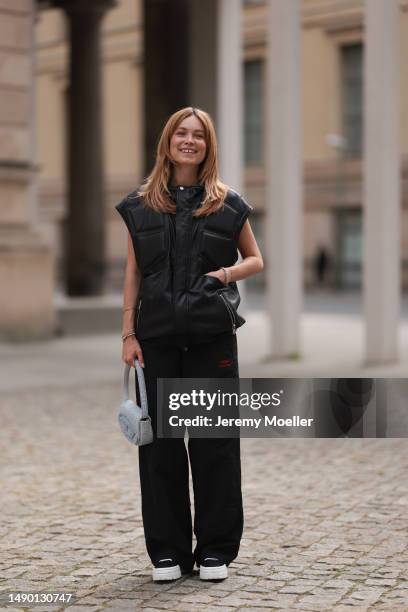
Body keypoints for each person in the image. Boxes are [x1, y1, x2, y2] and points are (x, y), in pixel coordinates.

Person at [115, 106, 263, 582]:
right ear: (168, 141)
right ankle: (168, 553)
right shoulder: (141, 206)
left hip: (210, 339)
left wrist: (223, 273)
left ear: (208, 145)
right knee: (159, 448)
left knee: (213, 443)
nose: (189, 140)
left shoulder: (228, 202)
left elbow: (255, 259)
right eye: (181, 132)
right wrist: (127, 333)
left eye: (198, 135)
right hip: (155, 338)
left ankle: (216, 550)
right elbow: (133, 271)